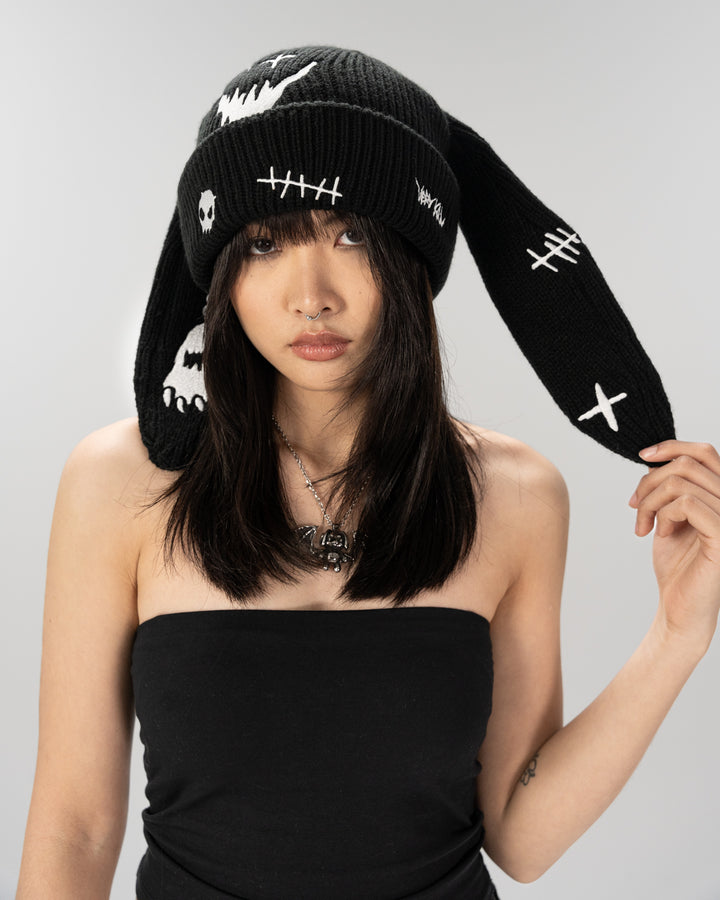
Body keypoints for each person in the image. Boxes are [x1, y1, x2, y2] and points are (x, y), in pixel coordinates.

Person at [16, 45, 720, 900]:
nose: (311, 294)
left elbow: (522, 838)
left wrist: (676, 636)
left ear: (411, 254)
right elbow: (76, 828)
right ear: (220, 271)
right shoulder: (122, 483)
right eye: (265, 243)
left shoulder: (516, 495)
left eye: (350, 234)